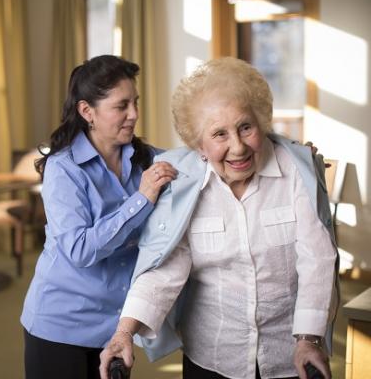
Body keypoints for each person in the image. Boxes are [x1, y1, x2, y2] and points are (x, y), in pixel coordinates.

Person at [99, 57, 339, 379]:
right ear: (198, 146)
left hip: (289, 355)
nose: (238, 147)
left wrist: (309, 338)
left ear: (261, 121)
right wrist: (124, 332)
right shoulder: (184, 184)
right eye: (219, 135)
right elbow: (166, 267)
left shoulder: (296, 171)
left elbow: (317, 260)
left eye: (245, 127)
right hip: (212, 355)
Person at [20, 55, 178, 379]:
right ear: (87, 111)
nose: (134, 114)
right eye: (121, 106)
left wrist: (291, 154)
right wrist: (141, 199)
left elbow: (200, 162)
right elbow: (80, 250)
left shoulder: (147, 159)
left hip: (115, 329)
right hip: (60, 326)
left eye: (135, 103)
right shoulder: (63, 169)